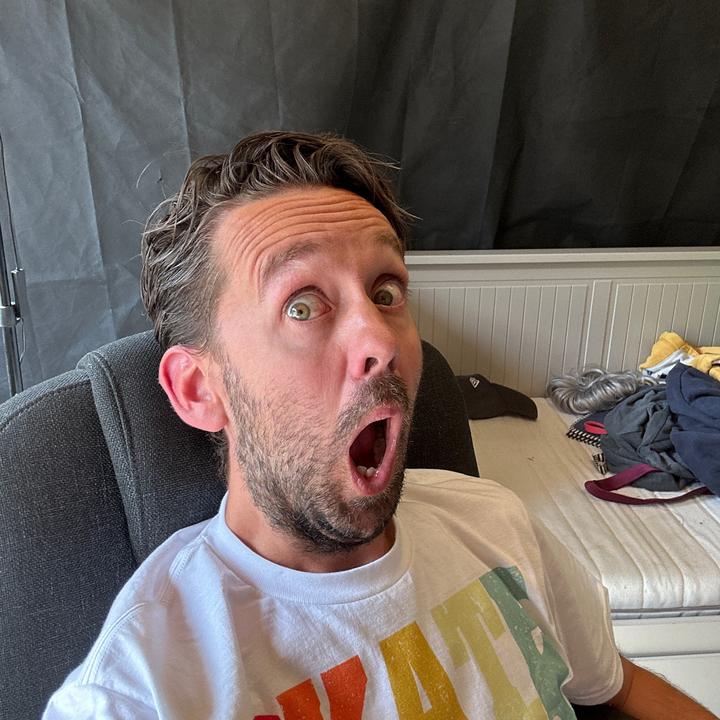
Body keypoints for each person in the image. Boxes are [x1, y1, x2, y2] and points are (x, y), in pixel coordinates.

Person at [43, 131, 716, 719]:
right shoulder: (142, 688)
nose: (381, 340)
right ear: (198, 389)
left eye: (386, 292)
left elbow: (617, 685)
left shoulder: (496, 524)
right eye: (302, 305)